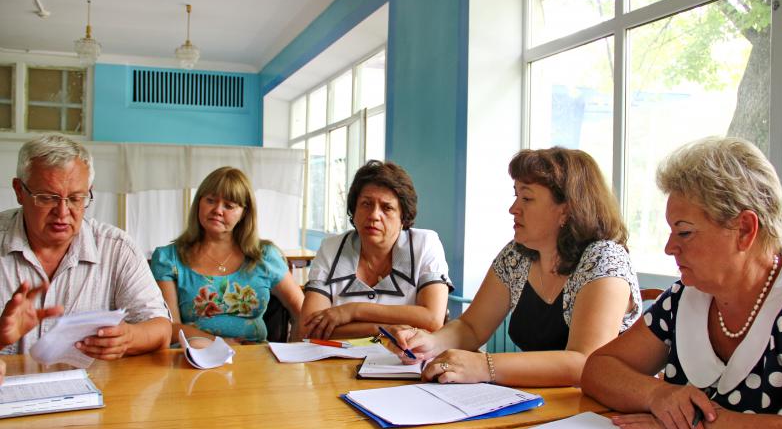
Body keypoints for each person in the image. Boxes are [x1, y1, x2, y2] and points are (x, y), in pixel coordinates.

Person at [581, 137, 782, 429]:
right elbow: (598, 370)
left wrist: (691, 423)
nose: (670, 247)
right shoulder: (685, 296)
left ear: (745, 230)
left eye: (684, 232)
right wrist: (659, 395)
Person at [390, 148, 641, 387]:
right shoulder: (517, 255)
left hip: (603, 408)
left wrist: (484, 366)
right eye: (516, 196)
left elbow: (585, 362)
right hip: (543, 400)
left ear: (566, 210)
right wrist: (430, 343)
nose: (513, 209)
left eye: (527, 198)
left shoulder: (604, 259)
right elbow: (472, 328)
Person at [0, 134, 171, 360]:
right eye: (47, 198)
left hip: (91, 382)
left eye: (75, 198)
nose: (62, 213)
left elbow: (161, 329)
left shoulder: (116, 249)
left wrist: (128, 338)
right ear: (19, 191)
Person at [300, 160, 452, 340]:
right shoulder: (331, 248)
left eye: (387, 208)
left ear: (403, 216)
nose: (374, 215)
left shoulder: (425, 244)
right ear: (354, 211)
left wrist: (352, 311)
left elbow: (432, 320)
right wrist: (381, 329)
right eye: (366, 204)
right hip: (337, 358)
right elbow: (309, 329)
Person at [150, 167, 303, 344]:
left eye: (229, 206)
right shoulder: (168, 259)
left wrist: (294, 352)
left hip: (256, 356)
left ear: (244, 213)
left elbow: (302, 312)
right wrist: (220, 343)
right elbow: (169, 328)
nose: (217, 210)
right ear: (199, 203)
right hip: (195, 355)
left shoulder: (265, 256)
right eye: (210, 200)